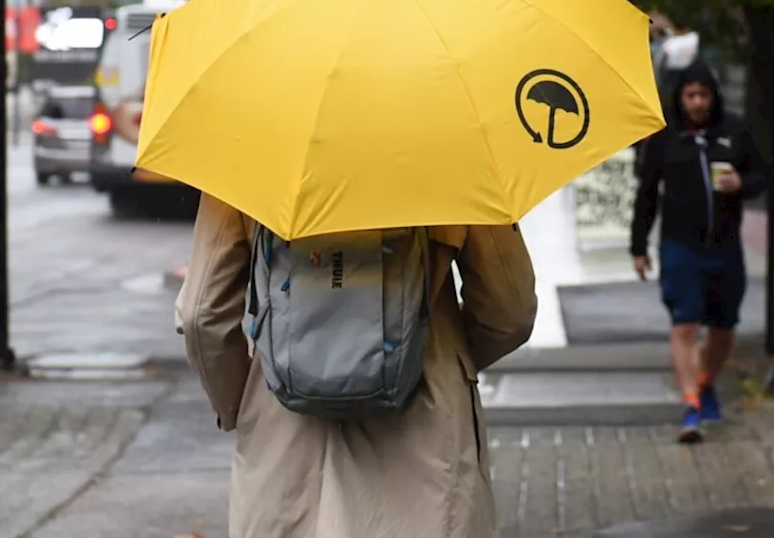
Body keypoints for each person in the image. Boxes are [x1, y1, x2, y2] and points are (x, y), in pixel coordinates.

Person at [177, 193, 537, 538]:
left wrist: (240, 406)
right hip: (427, 435)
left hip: (284, 436)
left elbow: (202, 314)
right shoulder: (454, 151)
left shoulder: (252, 150)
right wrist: (442, 358)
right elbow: (510, 310)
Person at [629, 60, 764, 443]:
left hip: (724, 246)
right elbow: (646, 194)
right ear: (680, 98)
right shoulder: (665, 137)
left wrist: (742, 183)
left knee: (723, 330)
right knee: (684, 325)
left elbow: (761, 177)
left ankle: (703, 383)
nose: (698, 103)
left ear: (713, 96)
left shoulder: (734, 131)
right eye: (691, 95)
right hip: (679, 245)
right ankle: (691, 404)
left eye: (703, 95)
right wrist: (638, 246)